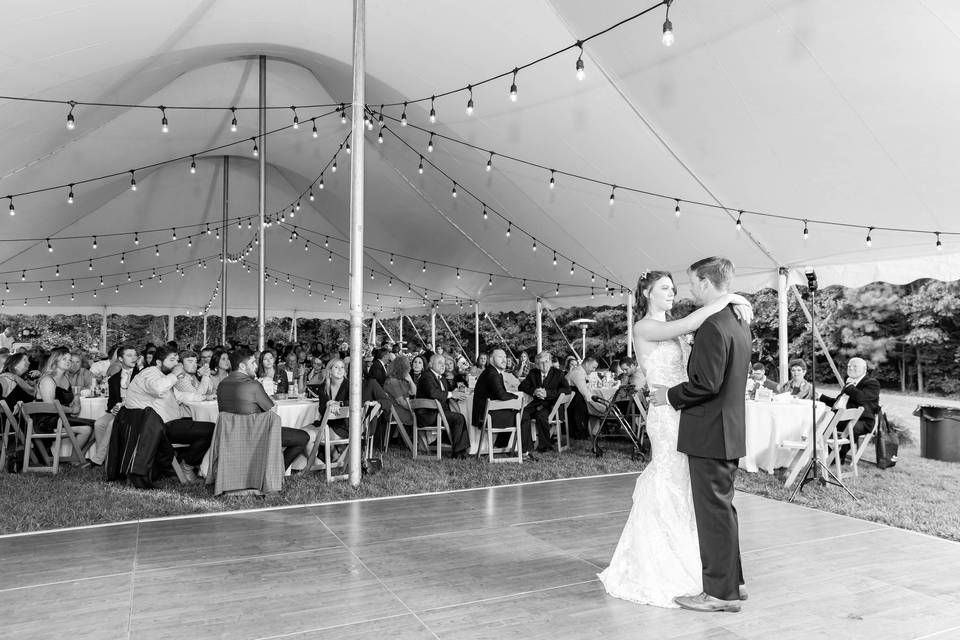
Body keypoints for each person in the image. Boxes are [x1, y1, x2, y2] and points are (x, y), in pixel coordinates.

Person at [600, 261, 753, 612]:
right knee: (677, 487)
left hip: (689, 416)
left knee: (698, 499)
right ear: (646, 293)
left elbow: (700, 367)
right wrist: (731, 299)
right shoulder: (647, 325)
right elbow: (692, 325)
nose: (674, 292)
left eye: (676, 286)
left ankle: (716, 580)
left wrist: (728, 301)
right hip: (670, 417)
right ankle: (685, 570)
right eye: (665, 288)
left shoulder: (690, 326)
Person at [123, 345, 215, 482]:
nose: (176, 364)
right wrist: (174, 374)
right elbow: (157, 388)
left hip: (166, 423)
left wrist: (205, 397)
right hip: (158, 427)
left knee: (202, 423)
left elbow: (180, 396)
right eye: (172, 360)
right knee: (211, 429)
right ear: (159, 362)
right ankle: (187, 465)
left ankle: (186, 463)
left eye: (177, 361)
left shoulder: (161, 376)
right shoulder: (149, 373)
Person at [216, 347, 309, 471]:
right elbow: (272, 413)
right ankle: (277, 470)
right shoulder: (253, 385)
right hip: (256, 435)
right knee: (303, 437)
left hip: (230, 436)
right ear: (242, 366)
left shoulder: (222, 384)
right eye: (252, 363)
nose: (255, 366)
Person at [472, 348, 535, 460]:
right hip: (486, 417)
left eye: (505, 357)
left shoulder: (493, 372)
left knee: (514, 412)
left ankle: (500, 445)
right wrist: (516, 397)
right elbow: (501, 395)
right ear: (491, 360)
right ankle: (525, 453)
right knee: (523, 415)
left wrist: (511, 397)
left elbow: (498, 394)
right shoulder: (492, 373)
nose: (504, 360)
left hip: (487, 414)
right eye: (500, 357)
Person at [819, 357, 880, 464]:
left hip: (863, 421)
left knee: (851, 426)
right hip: (841, 417)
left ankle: (838, 456)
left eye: (855, 366)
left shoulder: (872, 383)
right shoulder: (849, 383)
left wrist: (849, 386)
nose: (851, 368)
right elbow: (837, 403)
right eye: (849, 366)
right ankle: (825, 454)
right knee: (821, 423)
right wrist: (820, 396)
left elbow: (861, 397)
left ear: (864, 369)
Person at [33, 347, 94, 454]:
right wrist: (71, 410)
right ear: (55, 361)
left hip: (61, 418)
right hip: (45, 421)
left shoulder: (66, 378)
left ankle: (75, 456)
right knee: (88, 428)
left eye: (69, 360)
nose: (68, 362)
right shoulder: (48, 379)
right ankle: (75, 457)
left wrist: (75, 400)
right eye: (64, 359)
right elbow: (50, 406)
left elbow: (66, 399)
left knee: (96, 425)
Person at [89, 345, 140, 467]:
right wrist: (114, 408)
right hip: (118, 411)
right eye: (129, 355)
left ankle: (98, 459)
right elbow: (110, 402)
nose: (134, 358)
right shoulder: (114, 379)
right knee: (99, 423)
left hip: (136, 411)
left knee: (112, 424)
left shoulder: (141, 375)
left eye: (135, 355)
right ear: (121, 359)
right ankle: (107, 458)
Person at [415, 354, 471, 458]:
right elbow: (433, 393)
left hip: (438, 413)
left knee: (457, 416)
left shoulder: (442, 378)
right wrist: (451, 394)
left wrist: (456, 393)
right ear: (431, 364)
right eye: (439, 363)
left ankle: (452, 448)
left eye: (444, 363)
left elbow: (449, 392)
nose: (443, 365)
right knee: (459, 418)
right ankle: (459, 453)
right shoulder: (427, 377)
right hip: (427, 415)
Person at [518, 350, 571, 454]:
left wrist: (548, 393)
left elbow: (567, 390)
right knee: (522, 414)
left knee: (541, 415)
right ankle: (527, 447)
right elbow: (522, 386)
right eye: (541, 363)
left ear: (551, 362)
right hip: (536, 403)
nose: (544, 364)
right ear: (537, 365)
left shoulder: (558, 373)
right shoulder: (533, 373)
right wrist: (534, 391)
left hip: (551, 405)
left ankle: (545, 446)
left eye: (546, 361)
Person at [565, 356, 605, 439]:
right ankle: (581, 432)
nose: (594, 370)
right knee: (586, 403)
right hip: (569, 402)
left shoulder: (581, 371)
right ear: (586, 364)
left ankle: (592, 430)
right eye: (593, 367)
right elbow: (584, 392)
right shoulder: (578, 373)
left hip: (573, 399)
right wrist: (599, 406)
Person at [383, 355, 417, 427]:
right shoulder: (392, 381)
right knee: (423, 420)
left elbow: (413, 392)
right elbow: (401, 402)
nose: (409, 369)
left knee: (425, 419)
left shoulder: (401, 380)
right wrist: (416, 409)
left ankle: (418, 438)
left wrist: (410, 381)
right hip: (397, 412)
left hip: (403, 410)